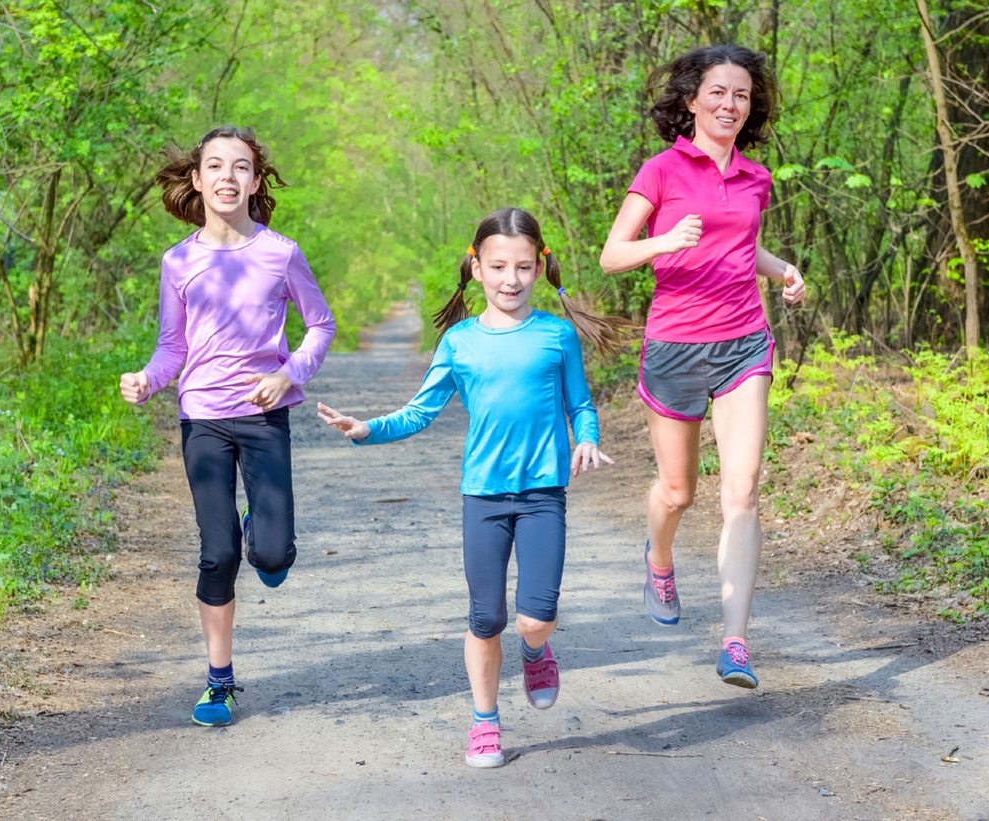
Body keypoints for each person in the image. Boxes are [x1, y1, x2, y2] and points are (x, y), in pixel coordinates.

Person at [317, 207, 624, 768]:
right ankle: (485, 722)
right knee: (486, 619)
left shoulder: (556, 335)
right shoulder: (459, 342)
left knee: (535, 617)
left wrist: (586, 437)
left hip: (541, 496)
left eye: (524, 267)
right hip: (482, 497)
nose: (512, 279)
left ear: (540, 267)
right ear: (476, 267)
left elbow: (580, 403)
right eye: (500, 266)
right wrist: (366, 430)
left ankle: (535, 652)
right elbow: (420, 412)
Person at [599, 45, 806, 689]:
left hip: (744, 340)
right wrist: (665, 238)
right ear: (692, 101)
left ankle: (736, 642)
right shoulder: (660, 170)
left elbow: (739, 242)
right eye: (717, 92)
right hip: (675, 345)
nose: (729, 104)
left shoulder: (756, 177)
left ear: (751, 107)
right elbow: (613, 254)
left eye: (741, 95)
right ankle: (659, 558)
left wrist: (782, 269)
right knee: (679, 491)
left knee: (742, 489)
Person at [119, 125, 335, 727]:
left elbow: (321, 326)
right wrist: (147, 379)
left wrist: (289, 373)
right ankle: (219, 682)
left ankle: (261, 530)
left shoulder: (280, 252)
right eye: (214, 166)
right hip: (205, 420)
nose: (227, 178)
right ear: (197, 180)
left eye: (240, 167)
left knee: (270, 554)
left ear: (256, 180)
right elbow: (171, 348)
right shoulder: (178, 261)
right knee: (217, 555)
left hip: (265, 418)